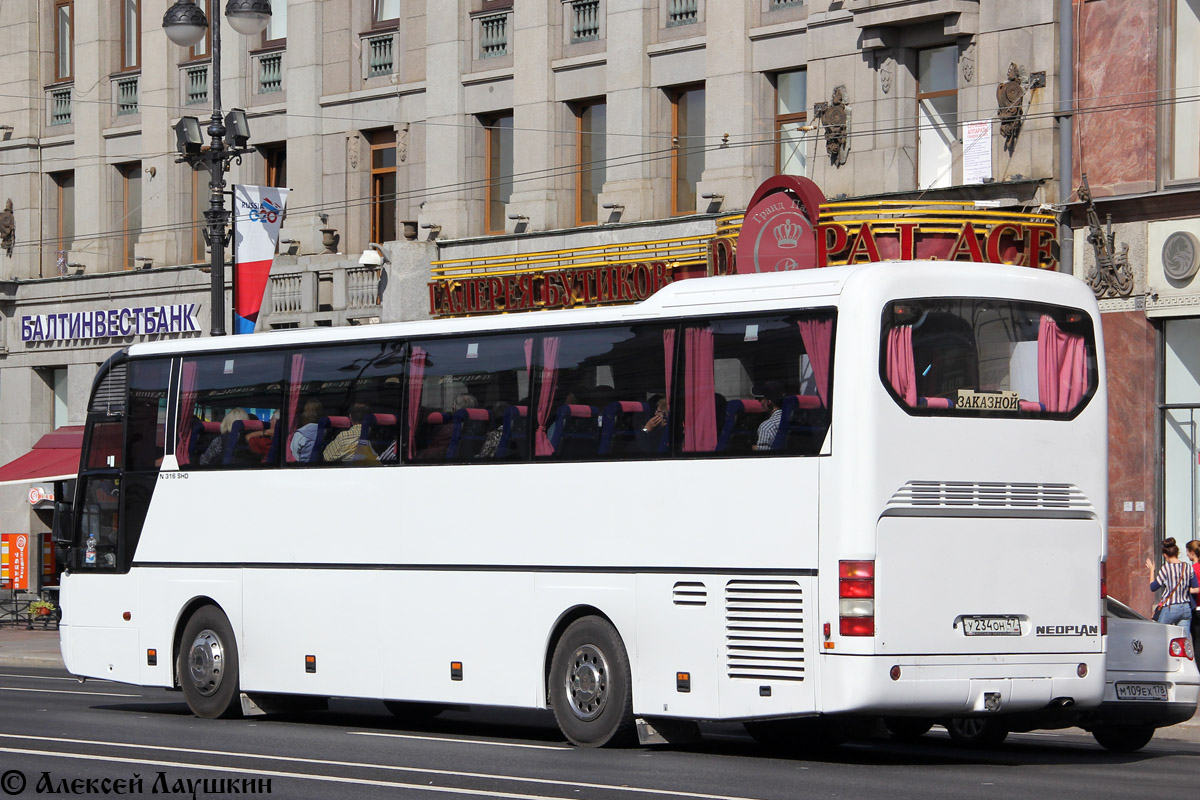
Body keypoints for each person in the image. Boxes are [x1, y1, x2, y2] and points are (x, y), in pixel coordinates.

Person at [1146, 537, 1199, 627]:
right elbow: (1196, 588)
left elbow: (1153, 587)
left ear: (1165, 555)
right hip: (1185, 607)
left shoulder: (1166, 568)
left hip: (1170, 607)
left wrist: (1152, 570)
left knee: (1160, 632)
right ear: (1177, 553)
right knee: (1182, 638)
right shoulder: (1188, 567)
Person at [752, 381, 785, 452]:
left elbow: (763, 453)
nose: (759, 402)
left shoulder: (767, 427)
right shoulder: (792, 421)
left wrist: (754, 448)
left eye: (761, 399)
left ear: (769, 402)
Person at [1188, 540, 1200, 655]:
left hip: (1197, 608)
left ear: (1192, 552)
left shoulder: (1193, 569)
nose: (1186, 555)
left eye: (1187, 552)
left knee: (1197, 641)